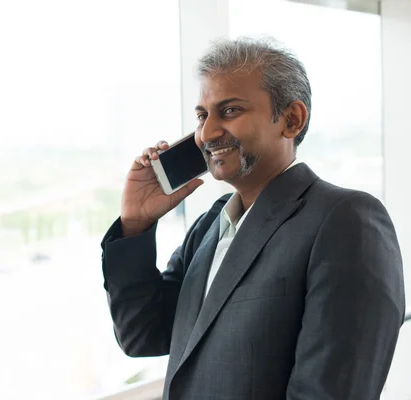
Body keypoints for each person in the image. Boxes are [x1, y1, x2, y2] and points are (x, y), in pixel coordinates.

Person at [100, 37, 406, 400]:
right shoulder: (208, 228)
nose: (206, 133)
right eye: (202, 115)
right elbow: (143, 334)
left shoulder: (346, 220)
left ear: (291, 119)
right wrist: (135, 224)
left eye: (229, 111)